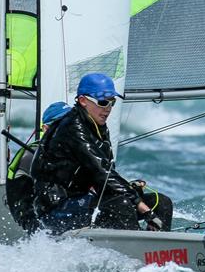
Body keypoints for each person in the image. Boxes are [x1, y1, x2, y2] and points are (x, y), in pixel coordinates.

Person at [30, 73, 173, 235]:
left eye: (112, 102)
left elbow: (106, 174)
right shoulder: (72, 128)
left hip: (83, 202)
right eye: (103, 102)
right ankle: (136, 252)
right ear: (83, 101)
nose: (108, 109)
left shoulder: (97, 125)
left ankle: (160, 251)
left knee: (161, 203)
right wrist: (141, 206)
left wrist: (131, 191)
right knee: (122, 203)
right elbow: (101, 171)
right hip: (55, 211)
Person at [6, 101, 72, 233]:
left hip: (56, 213)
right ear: (45, 129)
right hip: (34, 222)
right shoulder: (31, 156)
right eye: (61, 123)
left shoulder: (67, 151)